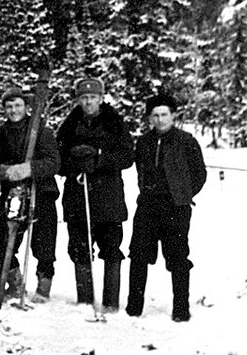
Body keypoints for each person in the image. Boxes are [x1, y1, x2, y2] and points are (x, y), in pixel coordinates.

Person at [127, 93, 207, 322]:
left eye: (164, 114)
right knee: (139, 255)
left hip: (176, 208)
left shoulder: (186, 141)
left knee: (178, 257)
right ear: (149, 118)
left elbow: (199, 174)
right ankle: (134, 307)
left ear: (173, 116)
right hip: (148, 206)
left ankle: (181, 308)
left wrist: (183, 194)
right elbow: (140, 170)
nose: (160, 119)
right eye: (155, 115)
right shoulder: (143, 142)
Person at [57, 77, 134, 311]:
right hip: (78, 196)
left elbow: (127, 157)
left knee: (111, 248)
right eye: (84, 98)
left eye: (93, 97)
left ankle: (111, 302)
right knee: (79, 248)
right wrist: (75, 161)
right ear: (78, 100)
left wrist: (99, 158)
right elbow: (57, 160)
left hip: (108, 197)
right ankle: (85, 300)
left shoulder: (114, 123)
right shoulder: (69, 124)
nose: (88, 102)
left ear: (101, 98)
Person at [0, 87, 61, 302]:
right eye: (9, 106)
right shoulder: (2, 132)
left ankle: (44, 286)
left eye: (17, 105)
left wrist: (30, 169)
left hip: (42, 191)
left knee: (44, 243)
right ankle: (15, 283)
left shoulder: (41, 130)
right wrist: (5, 171)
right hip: (13, 193)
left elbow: (54, 162)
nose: (13, 110)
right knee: (0, 239)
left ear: (26, 106)